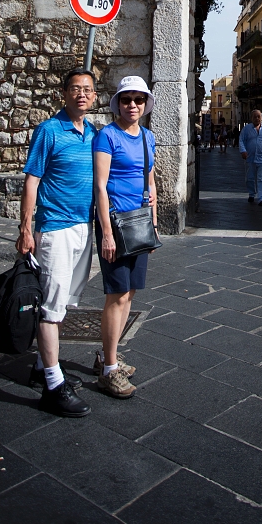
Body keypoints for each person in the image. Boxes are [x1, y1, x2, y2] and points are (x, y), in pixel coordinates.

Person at [17, 67, 98, 418]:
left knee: (63, 301)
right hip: (54, 228)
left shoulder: (94, 133)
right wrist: (25, 228)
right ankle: (53, 384)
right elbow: (32, 181)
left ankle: (39, 366)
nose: (82, 94)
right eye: (75, 89)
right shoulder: (48, 130)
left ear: (95, 97)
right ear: (63, 94)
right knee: (51, 307)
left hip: (84, 227)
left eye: (88, 90)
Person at [94, 76, 158, 399]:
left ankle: (110, 354)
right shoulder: (107, 136)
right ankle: (108, 370)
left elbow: (150, 181)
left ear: (145, 104)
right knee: (116, 295)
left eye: (138, 99)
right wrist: (106, 232)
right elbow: (100, 186)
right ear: (117, 103)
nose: (132, 105)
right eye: (126, 99)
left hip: (139, 225)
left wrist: (155, 224)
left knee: (130, 294)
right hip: (116, 225)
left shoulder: (148, 138)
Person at [239, 109, 262, 206]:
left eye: (258, 116)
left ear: (261, 118)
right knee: (249, 178)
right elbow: (241, 140)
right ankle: (252, 194)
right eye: (254, 116)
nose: (256, 118)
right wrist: (243, 151)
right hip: (250, 158)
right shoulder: (246, 129)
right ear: (251, 118)